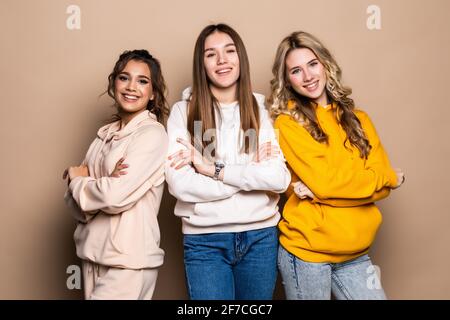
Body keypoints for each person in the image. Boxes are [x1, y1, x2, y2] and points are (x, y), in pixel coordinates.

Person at [269, 31, 405, 300]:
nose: (308, 76)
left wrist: (325, 193)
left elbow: (378, 184)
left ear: (325, 64)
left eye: (312, 64)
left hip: (356, 253)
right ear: (287, 81)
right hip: (308, 253)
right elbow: (327, 183)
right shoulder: (289, 124)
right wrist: (384, 178)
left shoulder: (359, 119)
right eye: (296, 71)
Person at [165, 23, 291, 300]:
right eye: (211, 54)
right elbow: (180, 184)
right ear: (202, 64)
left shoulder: (263, 109)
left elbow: (278, 179)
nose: (222, 60)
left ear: (240, 57)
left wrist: (212, 170)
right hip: (204, 241)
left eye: (229, 51)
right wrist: (246, 176)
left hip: (260, 237)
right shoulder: (183, 112)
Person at [63, 49, 169, 299]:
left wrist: (79, 180)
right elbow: (74, 204)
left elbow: (113, 197)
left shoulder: (151, 135)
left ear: (153, 93)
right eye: (124, 78)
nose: (131, 87)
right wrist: (97, 184)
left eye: (142, 81)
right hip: (92, 254)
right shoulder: (104, 135)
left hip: (128, 262)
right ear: (113, 83)